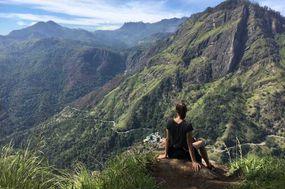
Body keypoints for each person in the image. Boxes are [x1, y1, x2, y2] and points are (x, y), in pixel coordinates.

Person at [158, 102, 214, 171]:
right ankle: (208, 165)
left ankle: (207, 164)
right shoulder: (187, 125)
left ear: (177, 111)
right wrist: (194, 161)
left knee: (194, 139)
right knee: (201, 142)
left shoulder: (169, 122)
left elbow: (167, 139)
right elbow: (189, 144)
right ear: (185, 112)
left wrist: (165, 154)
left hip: (172, 153)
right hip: (183, 153)